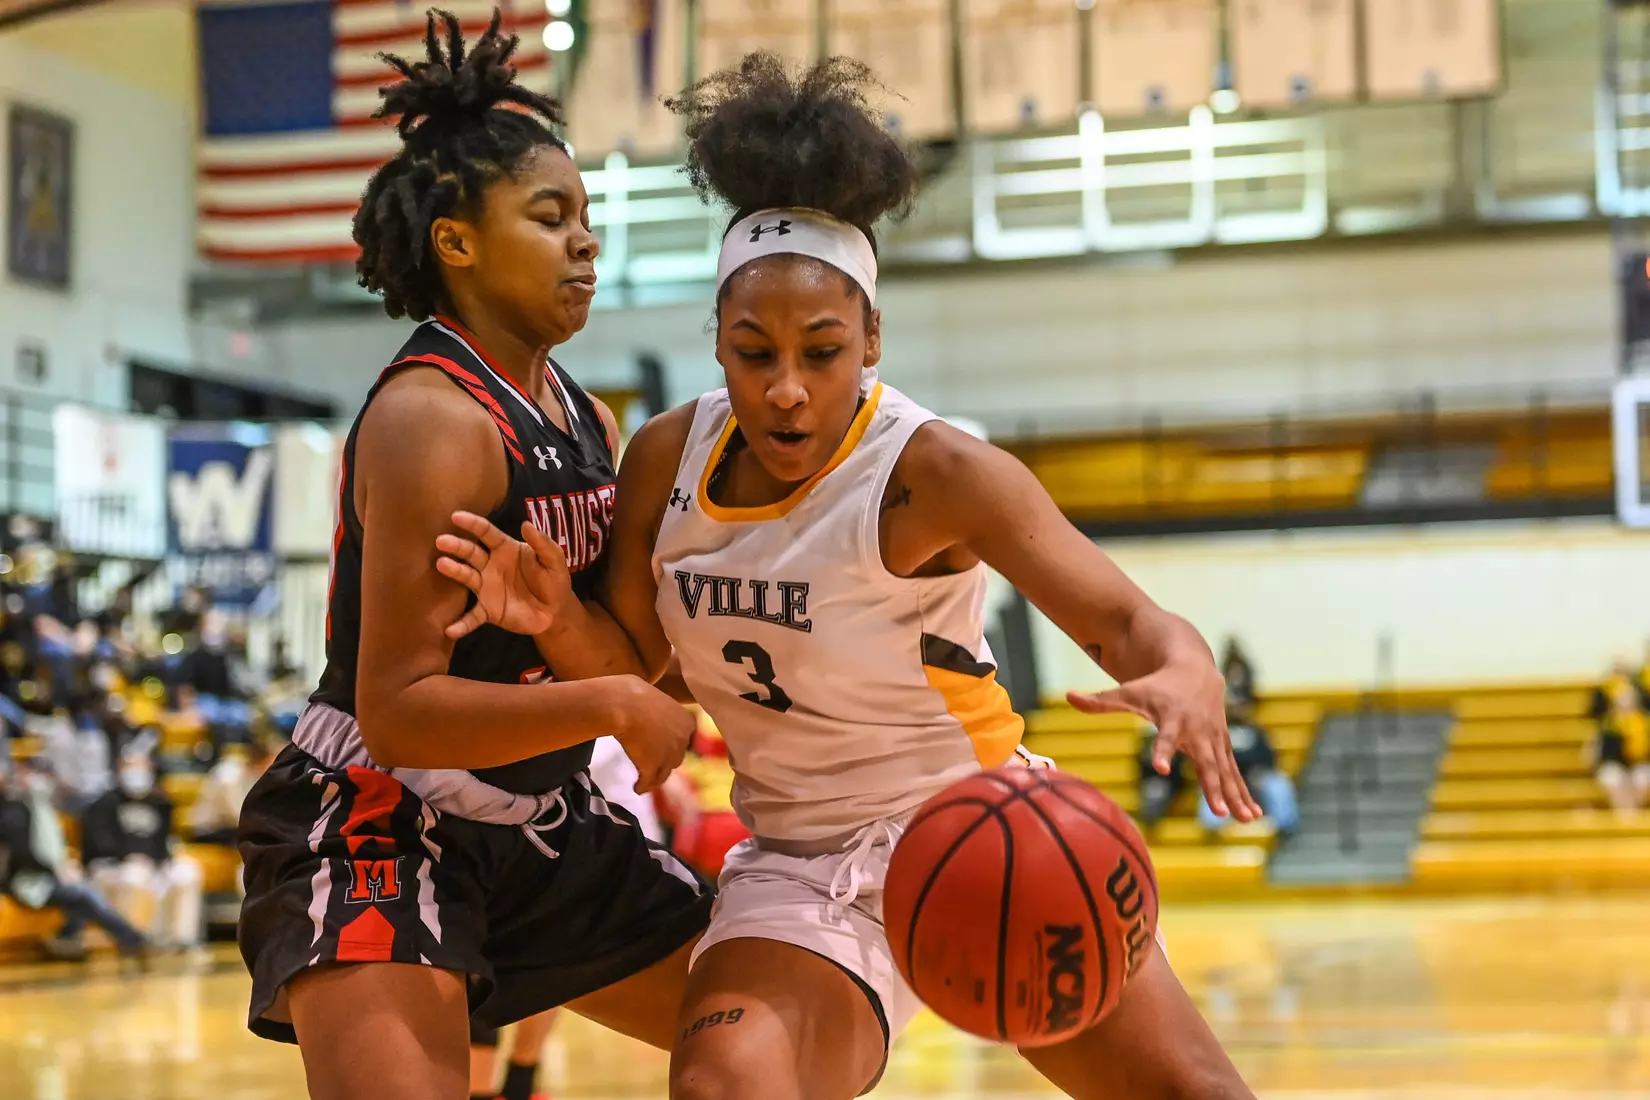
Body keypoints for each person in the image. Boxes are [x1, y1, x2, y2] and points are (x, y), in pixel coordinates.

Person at [435, 52, 1260, 1100]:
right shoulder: (664, 459)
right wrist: (554, 617)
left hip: (982, 827)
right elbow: (635, 670)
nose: (784, 390)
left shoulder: (939, 474)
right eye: (752, 351)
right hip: (801, 868)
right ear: (718, 345)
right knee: (724, 1084)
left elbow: (1130, 622)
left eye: (821, 353)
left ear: (871, 336)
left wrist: (1186, 670)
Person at [232, 14, 712, 1100]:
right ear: (456, 241)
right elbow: (398, 708)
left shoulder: (584, 411)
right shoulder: (433, 419)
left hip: (537, 821)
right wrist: (606, 703)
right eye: (551, 217)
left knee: (767, 1043)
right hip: (378, 812)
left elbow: (630, 661)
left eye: (586, 217)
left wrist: (576, 644)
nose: (585, 240)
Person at [0, 756, 147, 960]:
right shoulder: (14, 809)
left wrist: (65, 866)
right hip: (25, 881)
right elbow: (21, 855)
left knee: (83, 891)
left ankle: (66, 937)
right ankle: (132, 938)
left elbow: (54, 850)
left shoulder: (43, 808)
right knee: (83, 895)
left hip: (46, 875)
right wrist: (56, 870)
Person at [82, 751, 204, 949]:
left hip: (151, 863)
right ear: (119, 771)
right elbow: (97, 845)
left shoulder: (161, 803)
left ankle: (180, 938)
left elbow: (163, 841)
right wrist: (128, 856)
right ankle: (132, 939)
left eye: (142, 767)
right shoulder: (103, 804)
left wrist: (160, 859)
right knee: (135, 876)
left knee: (187, 873)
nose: (137, 773)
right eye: (131, 767)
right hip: (110, 866)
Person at [1198, 705, 1298, 836]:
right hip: (1227, 780)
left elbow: (1269, 758)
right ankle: (1213, 826)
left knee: (1278, 784)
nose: (1237, 711)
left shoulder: (1256, 733)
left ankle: (1283, 826)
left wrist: (1257, 770)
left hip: (1256, 777)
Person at [1587, 661, 1649, 813]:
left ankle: (1633, 813)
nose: (1625, 702)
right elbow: (1592, 757)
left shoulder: (1644, 722)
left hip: (1638, 765)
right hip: (1614, 765)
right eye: (1621, 698)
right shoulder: (1607, 724)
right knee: (1612, 777)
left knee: (1644, 777)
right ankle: (1625, 815)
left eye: (1628, 698)